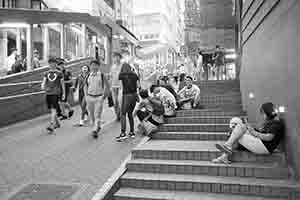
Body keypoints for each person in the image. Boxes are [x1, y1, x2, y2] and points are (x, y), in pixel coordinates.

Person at [212, 102, 285, 164]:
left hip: (263, 147)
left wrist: (253, 132)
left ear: (268, 113)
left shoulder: (276, 124)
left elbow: (269, 137)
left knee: (237, 135)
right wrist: (250, 128)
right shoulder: (272, 122)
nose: (263, 116)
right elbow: (262, 132)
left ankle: (227, 147)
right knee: (239, 124)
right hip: (260, 143)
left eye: (263, 114)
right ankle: (226, 152)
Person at [84, 60, 110, 139]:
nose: (94, 67)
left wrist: (104, 96)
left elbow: (107, 86)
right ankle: (97, 126)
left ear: (98, 66)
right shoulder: (88, 75)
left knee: (97, 114)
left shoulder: (102, 75)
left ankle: (95, 130)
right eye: (92, 65)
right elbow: (85, 86)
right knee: (91, 116)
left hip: (99, 97)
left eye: (95, 65)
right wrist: (86, 96)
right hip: (89, 97)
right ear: (90, 66)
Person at [116, 62, 139, 141]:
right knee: (130, 114)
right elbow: (138, 86)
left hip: (126, 96)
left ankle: (123, 133)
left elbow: (120, 87)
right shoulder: (135, 75)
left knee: (123, 114)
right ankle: (132, 132)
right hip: (134, 96)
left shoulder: (121, 75)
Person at [41, 58, 65, 133]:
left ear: (56, 64)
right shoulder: (46, 73)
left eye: (53, 63)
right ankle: (57, 123)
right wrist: (43, 87)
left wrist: (64, 93)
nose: (51, 65)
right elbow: (44, 81)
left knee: (54, 108)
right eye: (50, 63)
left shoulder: (59, 73)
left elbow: (62, 83)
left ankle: (52, 124)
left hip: (56, 92)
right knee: (51, 109)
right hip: (48, 93)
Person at [110, 52, 123, 121]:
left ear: (120, 58)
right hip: (113, 87)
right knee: (115, 103)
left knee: (120, 102)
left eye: (117, 57)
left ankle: (121, 115)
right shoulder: (112, 67)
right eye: (114, 57)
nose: (115, 58)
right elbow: (111, 77)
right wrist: (110, 87)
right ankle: (117, 115)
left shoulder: (123, 66)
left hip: (121, 86)